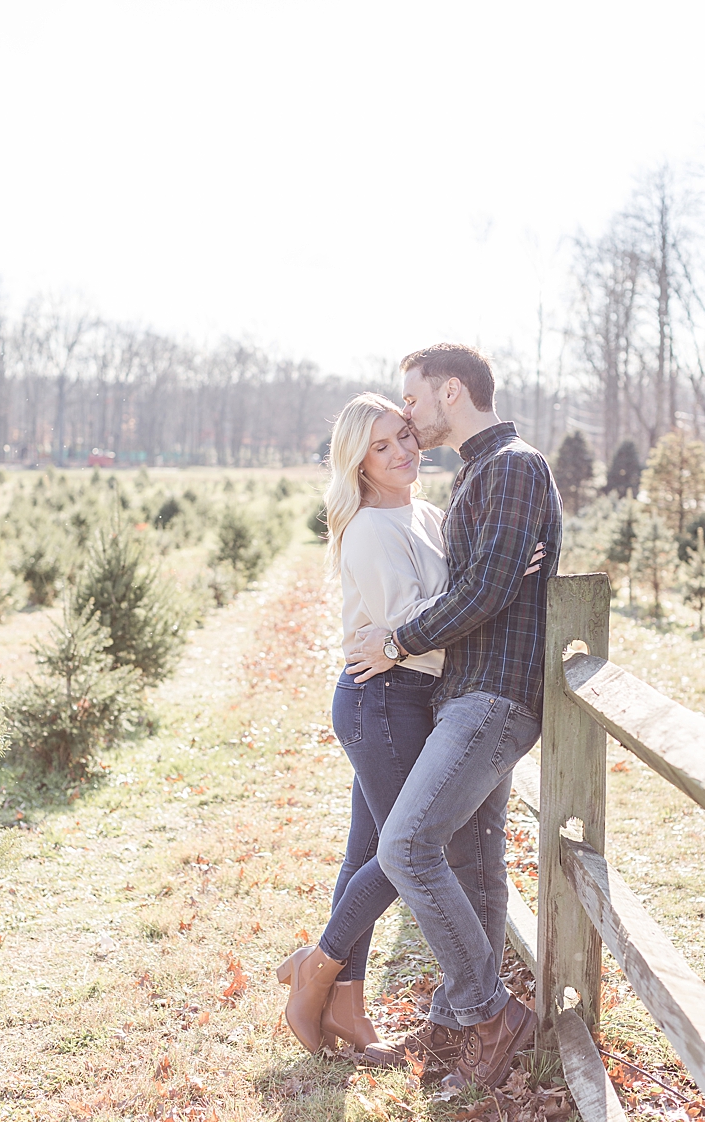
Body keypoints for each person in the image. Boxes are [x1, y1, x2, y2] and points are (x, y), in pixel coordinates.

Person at [278, 393, 543, 1066]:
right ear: (358, 463)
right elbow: (415, 628)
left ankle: (344, 998)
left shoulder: (428, 514)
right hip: (383, 699)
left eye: (404, 436)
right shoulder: (370, 527)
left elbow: (468, 587)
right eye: (382, 446)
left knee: (370, 848)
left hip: (412, 697)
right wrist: (493, 585)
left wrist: (502, 570)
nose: (403, 453)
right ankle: (320, 965)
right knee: (408, 850)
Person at [344, 343, 562, 1092]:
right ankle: (456, 1017)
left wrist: (400, 637)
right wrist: (481, 579)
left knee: (405, 847)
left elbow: (486, 591)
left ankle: (487, 1010)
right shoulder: (476, 472)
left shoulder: (512, 466)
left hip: (495, 696)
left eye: (412, 399)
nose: (406, 414)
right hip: (463, 695)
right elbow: (476, 581)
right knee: (472, 865)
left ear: (450, 391)